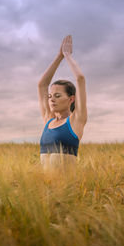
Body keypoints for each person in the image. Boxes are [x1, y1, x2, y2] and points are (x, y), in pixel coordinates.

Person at [38, 35, 88, 170]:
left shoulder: (76, 120)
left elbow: (80, 79)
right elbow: (42, 85)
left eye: (58, 96)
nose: (52, 99)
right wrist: (58, 57)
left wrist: (67, 56)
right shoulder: (48, 119)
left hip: (67, 189)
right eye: (50, 96)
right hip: (44, 188)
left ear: (71, 99)